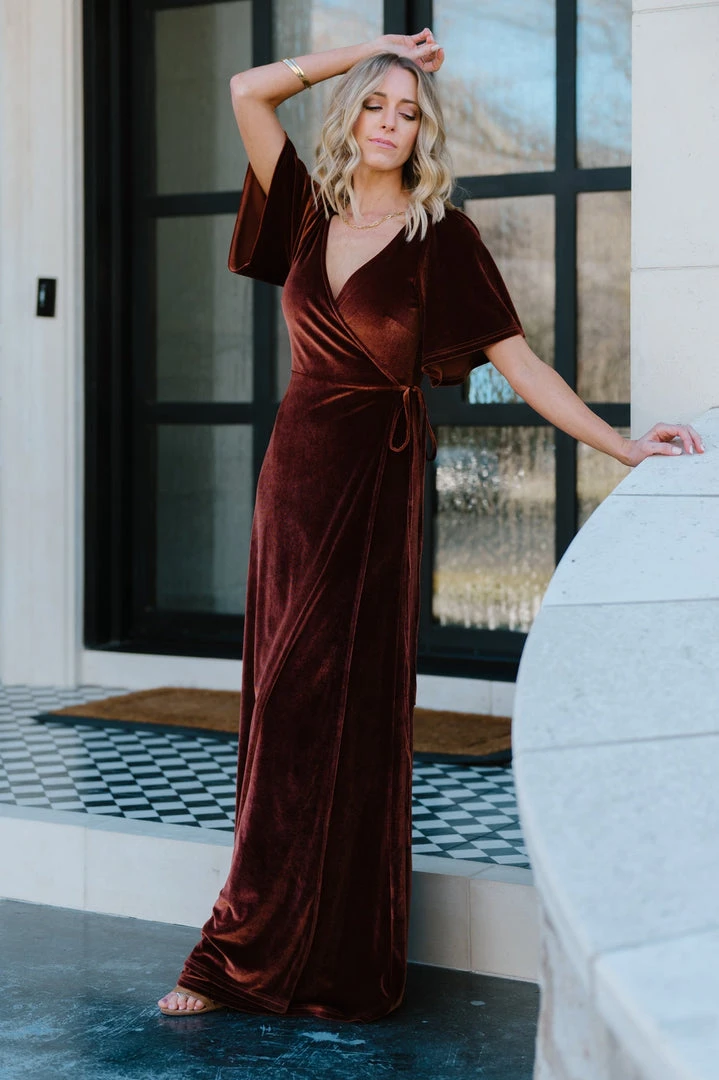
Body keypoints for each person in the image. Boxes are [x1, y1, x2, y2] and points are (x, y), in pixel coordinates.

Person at [157, 29, 704, 1023]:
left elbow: (518, 363)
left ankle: (299, 956)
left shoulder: (439, 237)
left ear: (422, 134)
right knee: (279, 704)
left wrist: (619, 445)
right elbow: (245, 89)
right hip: (293, 480)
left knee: (343, 709)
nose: (389, 123)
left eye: (407, 113)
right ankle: (246, 944)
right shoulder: (306, 208)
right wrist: (370, 48)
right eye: (375, 105)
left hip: (375, 482)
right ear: (351, 115)